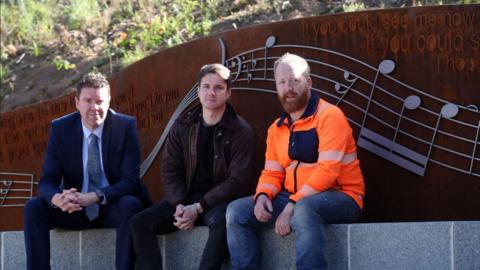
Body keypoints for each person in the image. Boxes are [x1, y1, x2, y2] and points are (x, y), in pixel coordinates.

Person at [226, 53, 365, 270]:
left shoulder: (330, 116)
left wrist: (293, 204)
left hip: (343, 196)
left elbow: (328, 171)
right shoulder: (276, 128)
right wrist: (263, 195)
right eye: (282, 82)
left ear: (308, 82)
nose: (288, 87)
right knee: (237, 211)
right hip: (294, 198)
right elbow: (272, 173)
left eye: (294, 80)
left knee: (304, 209)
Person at [130, 63, 256, 270]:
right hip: (185, 199)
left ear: (228, 93)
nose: (211, 93)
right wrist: (179, 204)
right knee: (139, 222)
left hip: (218, 202)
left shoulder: (240, 131)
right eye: (206, 87)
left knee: (224, 222)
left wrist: (198, 208)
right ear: (198, 91)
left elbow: (238, 182)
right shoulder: (183, 125)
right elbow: (170, 170)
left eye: (218, 88)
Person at [23, 72, 151, 270]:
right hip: (74, 209)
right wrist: (58, 199)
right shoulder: (60, 129)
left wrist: (95, 196)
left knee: (131, 204)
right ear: (77, 103)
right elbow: (47, 181)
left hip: (111, 207)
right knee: (34, 207)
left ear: (109, 101)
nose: (94, 107)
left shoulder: (125, 126)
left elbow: (131, 181)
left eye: (100, 101)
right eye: (88, 101)